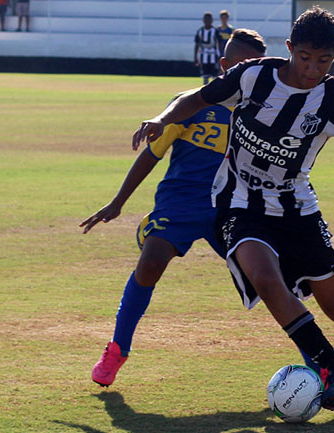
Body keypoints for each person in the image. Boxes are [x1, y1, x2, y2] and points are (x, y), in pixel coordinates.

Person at [132, 6, 334, 410]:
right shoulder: (254, 75)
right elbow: (196, 98)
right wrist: (161, 119)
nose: (312, 68)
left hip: (298, 207)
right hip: (239, 199)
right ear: (289, 49)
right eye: (304, 57)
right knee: (264, 277)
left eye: (324, 60)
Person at [83, 29, 268, 388]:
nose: (247, 73)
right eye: (241, 65)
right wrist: (117, 203)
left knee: (268, 282)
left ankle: (319, 362)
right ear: (225, 66)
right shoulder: (192, 103)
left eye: (255, 67)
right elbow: (152, 155)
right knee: (150, 263)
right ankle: (117, 349)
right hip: (179, 202)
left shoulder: (264, 113)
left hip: (230, 208)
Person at [194, 12, 222, 85]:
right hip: (203, 55)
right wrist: (195, 57)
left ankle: (215, 89)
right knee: (205, 75)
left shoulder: (215, 31)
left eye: (209, 20)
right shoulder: (200, 31)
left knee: (214, 75)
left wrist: (220, 55)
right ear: (203, 20)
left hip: (214, 55)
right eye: (206, 20)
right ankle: (205, 90)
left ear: (212, 21)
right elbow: (197, 44)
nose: (207, 21)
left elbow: (220, 43)